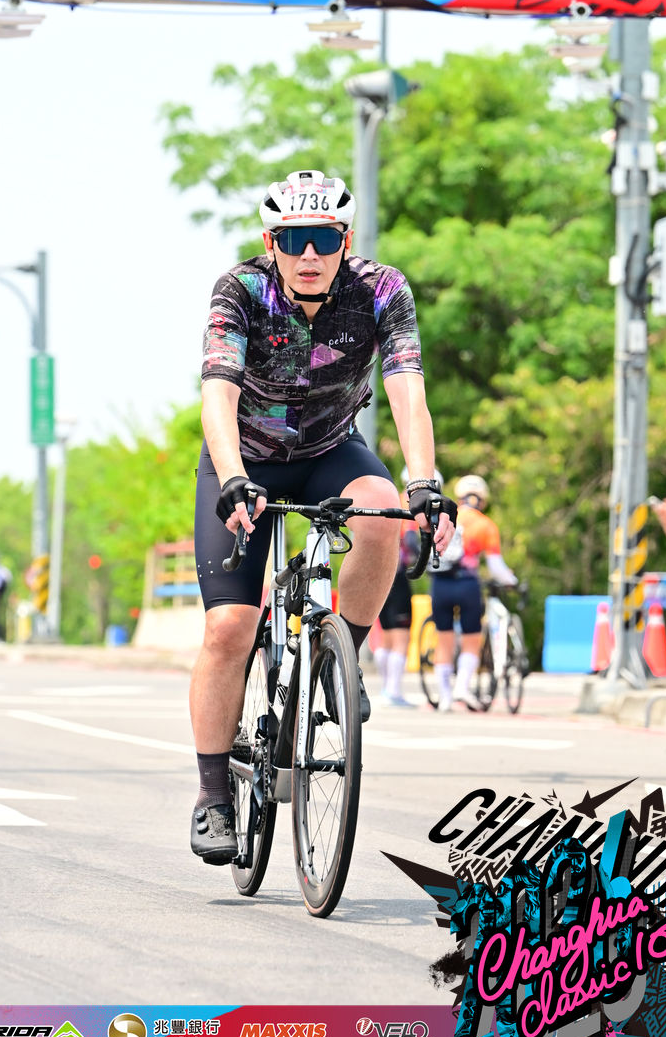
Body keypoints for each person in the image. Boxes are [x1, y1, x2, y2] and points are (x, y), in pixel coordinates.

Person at [189, 169, 457, 864]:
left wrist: (424, 483)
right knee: (229, 627)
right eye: (293, 240)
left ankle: (343, 665)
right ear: (270, 243)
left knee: (384, 512)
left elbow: (406, 387)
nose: (308, 254)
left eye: (324, 239)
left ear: (346, 240)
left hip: (331, 449)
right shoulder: (240, 290)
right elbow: (217, 394)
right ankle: (213, 796)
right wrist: (234, 478)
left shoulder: (382, 290)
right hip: (245, 457)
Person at [430, 474, 517, 712]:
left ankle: (445, 698)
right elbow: (496, 567)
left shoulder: (446, 519)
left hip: (440, 584)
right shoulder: (485, 525)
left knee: (444, 641)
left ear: (459, 497)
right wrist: (512, 581)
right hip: (468, 585)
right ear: (483, 500)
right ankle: (462, 687)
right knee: (471, 639)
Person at [374, 468, 441, 708]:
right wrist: (422, 559)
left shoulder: (389, 497)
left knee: (386, 635)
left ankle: (385, 688)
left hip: (377, 572)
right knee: (401, 635)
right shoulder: (414, 503)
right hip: (397, 574)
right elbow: (412, 539)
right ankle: (393, 691)